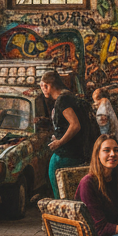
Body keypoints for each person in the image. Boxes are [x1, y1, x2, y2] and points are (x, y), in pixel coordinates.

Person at [41, 70, 82, 198]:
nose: (43, 89)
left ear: (47, 85)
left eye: (42, 86)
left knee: (61, 195)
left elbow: (75, 125)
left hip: (64, 155)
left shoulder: (62, 100)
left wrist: (60, 142)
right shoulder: (68, 96)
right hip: (74, 153)